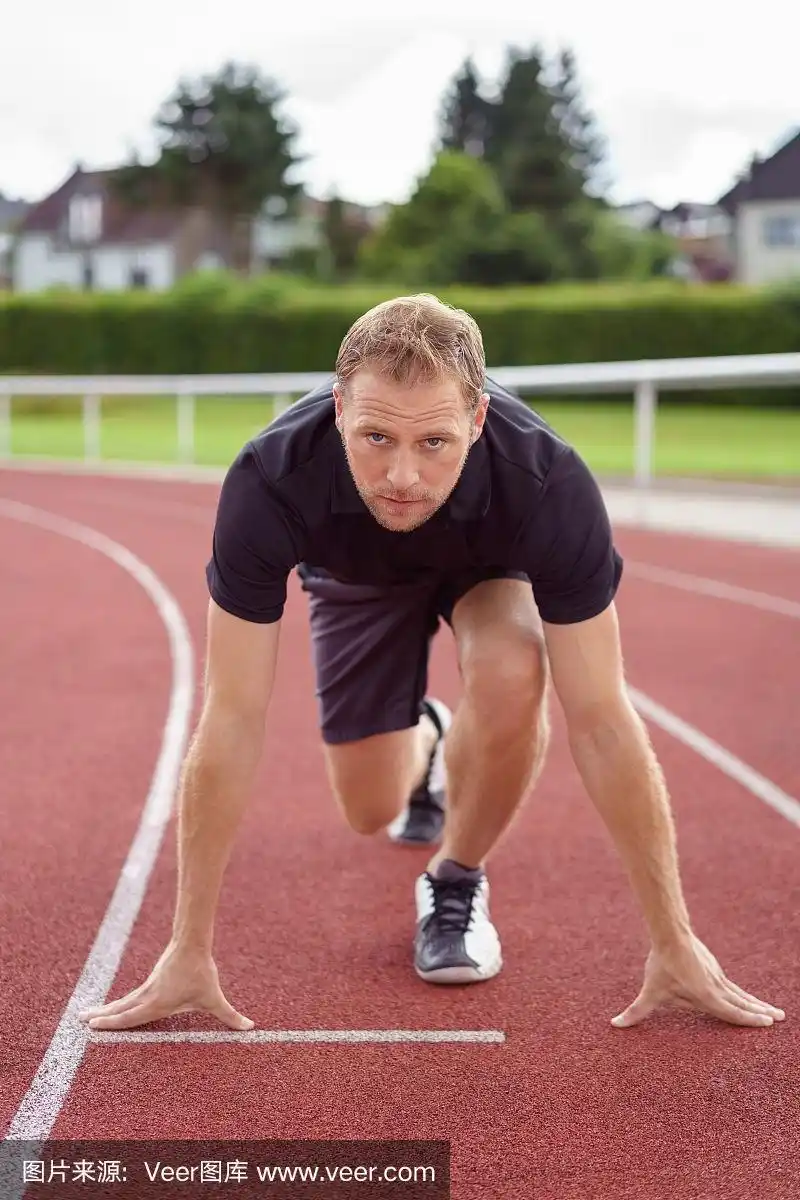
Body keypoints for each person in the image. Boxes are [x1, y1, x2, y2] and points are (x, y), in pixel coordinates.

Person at [79, 294, 784, 1033]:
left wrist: (674, 940)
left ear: (477, 420)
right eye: (376, 437)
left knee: (514, 667)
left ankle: (456, 877)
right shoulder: (270, 480)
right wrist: (188, 948)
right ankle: (431, 740)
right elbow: (231, 716)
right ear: (338, 409)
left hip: (488, 569)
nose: (403, 476)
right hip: (357, 578)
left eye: (435, 443)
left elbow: (603, 720)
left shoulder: (547, 482)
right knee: (370, 810)